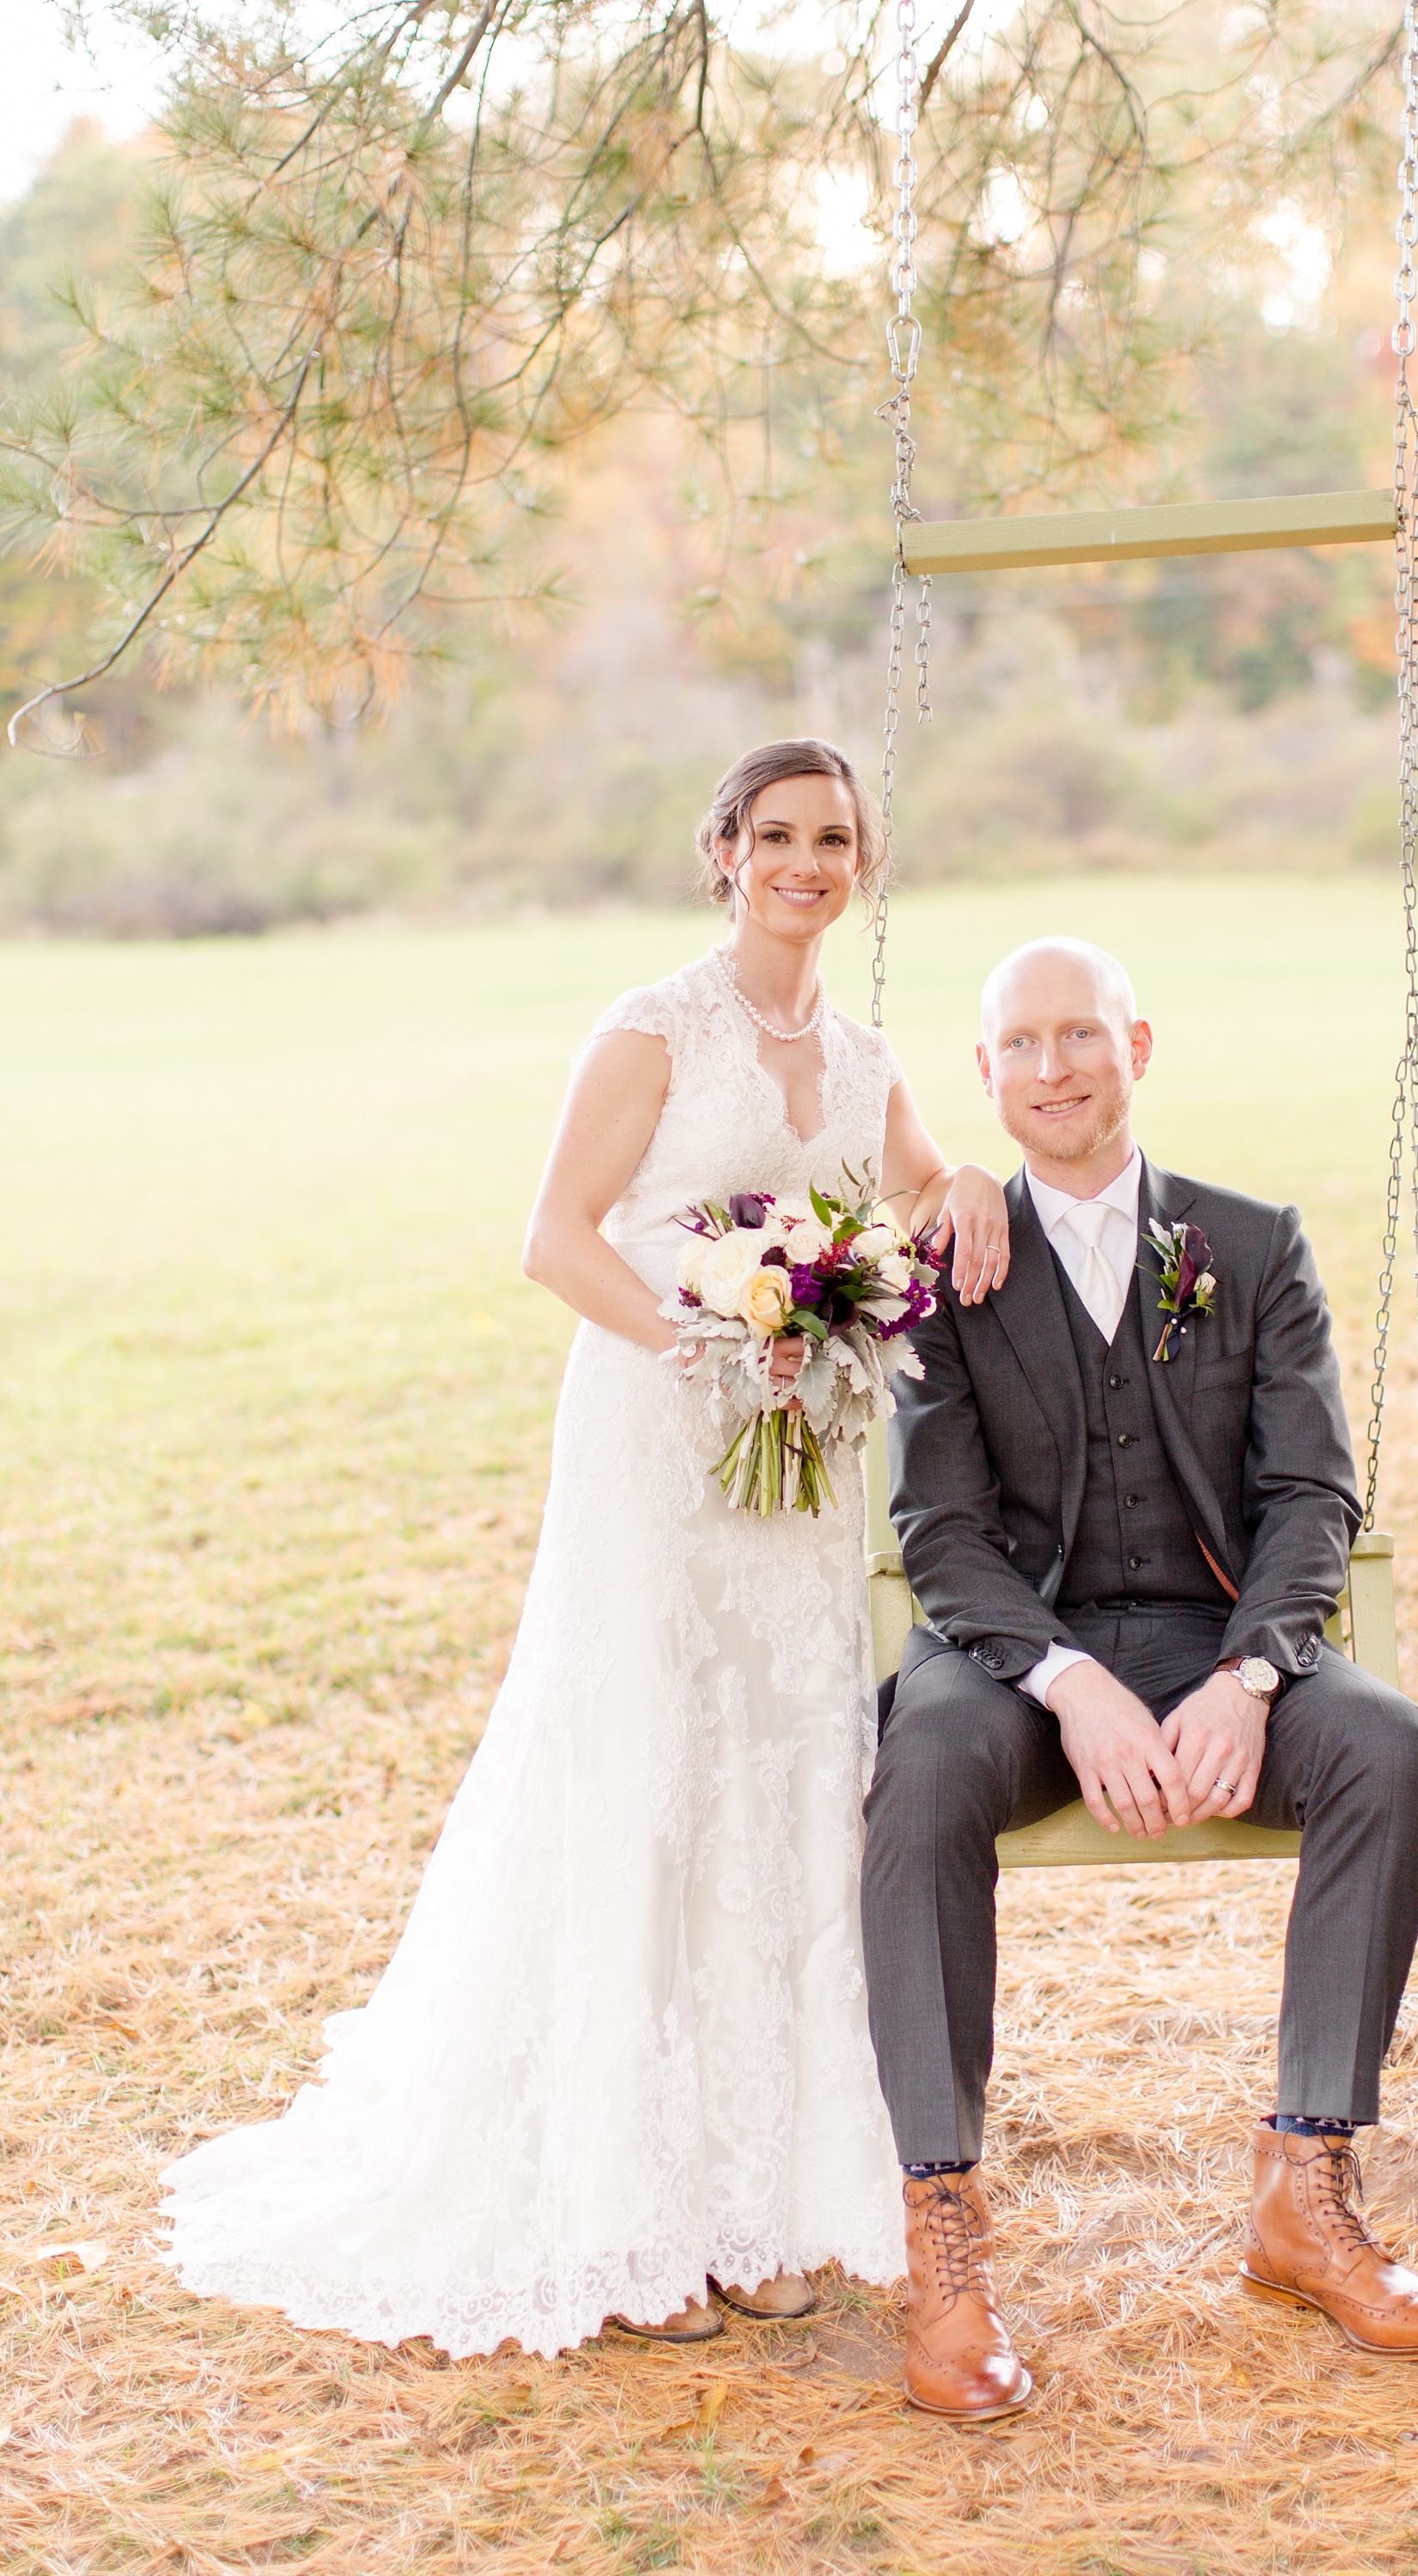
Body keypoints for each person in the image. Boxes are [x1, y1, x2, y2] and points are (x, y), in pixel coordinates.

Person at [160, 738, 1011, 2354]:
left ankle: (758, 2202)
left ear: (863, 862)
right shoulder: (652, 1030)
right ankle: (632, 2215)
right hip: (661, 1445)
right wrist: (709, 1341)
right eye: (776, 836)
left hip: (803, 1475)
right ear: (723, 853)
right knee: (655, 1779)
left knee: (780, 1793)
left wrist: (962, 1170)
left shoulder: (869, 1045)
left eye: (833, 838)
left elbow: (912, 1190)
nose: (805, 863)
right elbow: (553, 1236)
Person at [860, 936, 1418, 2422]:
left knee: (1387, 1745)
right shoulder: (943, 1273)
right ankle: (942, 2231)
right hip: (1017, 1660)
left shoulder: (1250, 1244)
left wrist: (1255, 1677)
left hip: (1219, 1650)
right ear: (987, 1076)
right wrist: (1069, 1681)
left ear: (1138, 1049)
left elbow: (1312, 1499)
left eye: (1084, 1035)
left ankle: (1308, 2190)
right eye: (1023, 1045)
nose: (1057, 1068)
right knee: (926, 1767)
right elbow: (941, 1534)